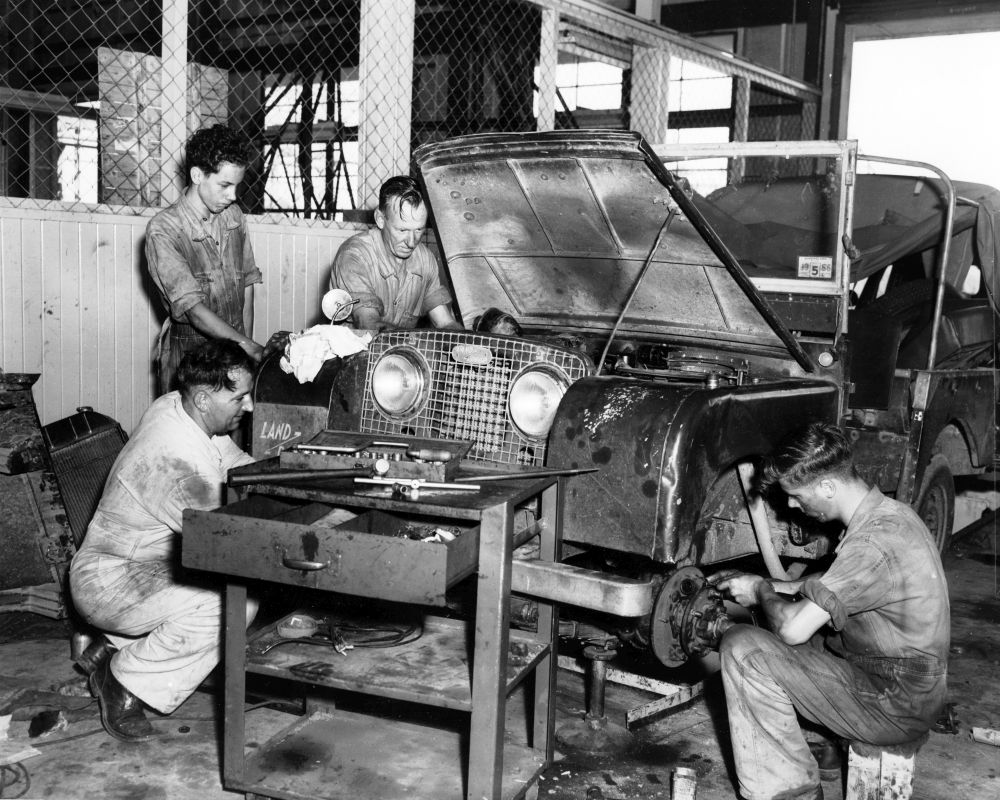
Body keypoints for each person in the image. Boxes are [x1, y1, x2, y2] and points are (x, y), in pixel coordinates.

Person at [715, 422, 949, 800]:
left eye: (795, 495)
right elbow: (843, 583)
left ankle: (792, 793)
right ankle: (823, 748)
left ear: (827, 487)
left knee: (745, 648)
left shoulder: (873, 543)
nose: (791, 505)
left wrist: (760, 591)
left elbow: (792, 630)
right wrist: (780, 586)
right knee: (797, 627)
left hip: (895, 699)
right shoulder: (891, 516)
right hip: (903, 680)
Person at [68, 340, 259, 742]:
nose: (249, 407)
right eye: (239, 397)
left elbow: (236, 465)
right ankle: (123, 681)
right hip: (109, 582)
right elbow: (228, 542)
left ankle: (109, 646)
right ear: (205, 399)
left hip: (133, 563)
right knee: (235, 604)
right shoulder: (180, 469)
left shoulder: (177, 407)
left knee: (206, 586)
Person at [146, 124, 266, 395]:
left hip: (234, 356)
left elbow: (247, 287)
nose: (233, 196)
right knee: (189, 435)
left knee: (231, 436)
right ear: (197, 175)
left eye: (237, 186)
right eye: (224, 185)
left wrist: (244, 355)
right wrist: (248, 347)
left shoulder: (233, 217)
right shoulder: (164, 229)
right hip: (190, 359)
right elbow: (194, 311)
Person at [329, 175, 462, 331]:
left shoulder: (425, 260)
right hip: (354, 352)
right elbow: (368, 325)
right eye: (402, 230)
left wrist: (470, 345)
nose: (411, 242)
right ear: (380, 219)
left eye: (419, 229)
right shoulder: (354, 256)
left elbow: (445, 323)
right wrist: (416, 341)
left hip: (400, 351)